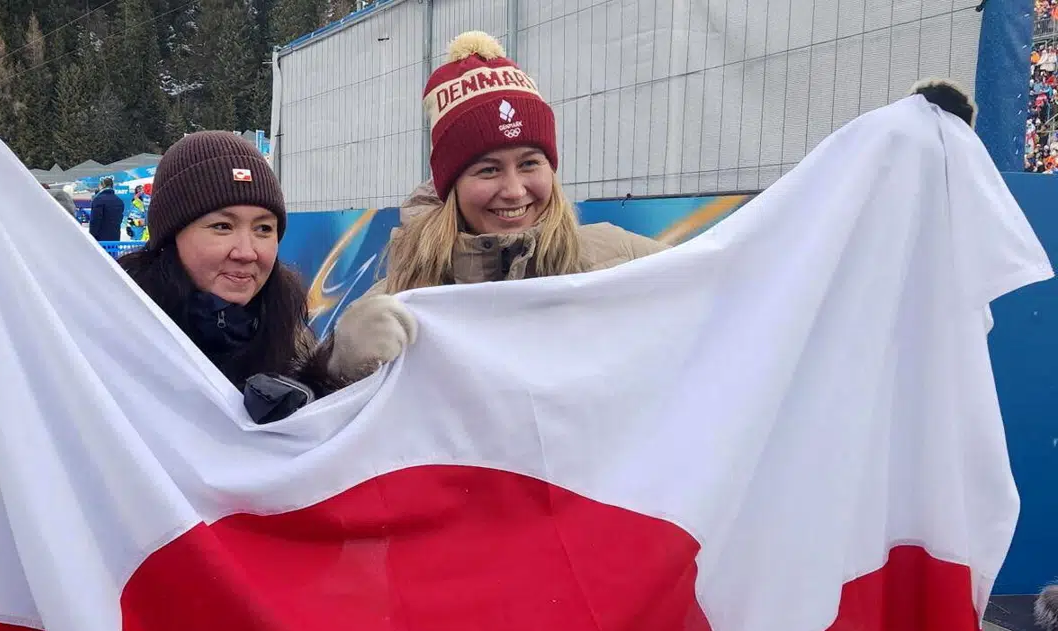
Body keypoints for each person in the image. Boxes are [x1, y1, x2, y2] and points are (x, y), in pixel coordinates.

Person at [322, 31, 983, 385]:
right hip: (460, 548)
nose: (515, 190)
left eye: (531, 163)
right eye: (486, 169)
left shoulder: (611, 253)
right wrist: (343, 360)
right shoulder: (407, 286)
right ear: (449, 185)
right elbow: (314, 423)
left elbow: (756, 284)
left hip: (583, 539)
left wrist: (897, 167)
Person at [0, 49, 353, 421]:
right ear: (171, 236)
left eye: (264, 229)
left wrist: (328, 380)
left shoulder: (286, 328)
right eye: (221, 226)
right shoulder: (103, 321)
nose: (247, 251)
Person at [88, 176, 124, 242]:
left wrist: (91, 236)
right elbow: (120, 219)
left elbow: (95, 220)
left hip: (100, 239)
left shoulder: (98, 199)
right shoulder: (119, 200)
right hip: (115, 238)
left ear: (102, 185)